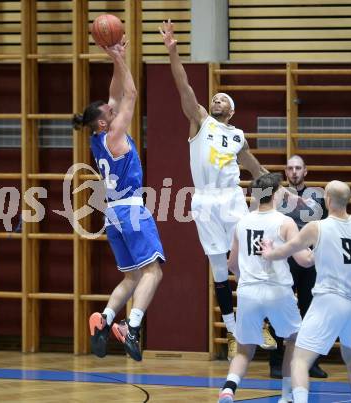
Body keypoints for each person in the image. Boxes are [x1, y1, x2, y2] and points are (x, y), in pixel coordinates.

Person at [160, 19, 275, 360]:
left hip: (232, 199)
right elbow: (183, 87)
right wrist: (173, 51)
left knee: (249, 265)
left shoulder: (237, 136)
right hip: (205, 201)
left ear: (233, 110)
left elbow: (256, 170)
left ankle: (261, 321)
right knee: (219, 269)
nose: (216, 100)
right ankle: (232, 330)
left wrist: (283, 193)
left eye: (223, 99)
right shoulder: (199, 120)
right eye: (214, 97)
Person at [72, 40, 165, 362]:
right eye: (109, 112)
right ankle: (132, 325)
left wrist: (117, 59)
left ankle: (106, 319)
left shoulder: (98, 136)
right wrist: (120, 59)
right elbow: (130, 95)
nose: (114, 109)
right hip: (131, 210)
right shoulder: (114, 135)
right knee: (153, 272)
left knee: (131, 277)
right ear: (104, 122)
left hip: (111, 215)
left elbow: (114, 96)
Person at [262, 180, 351, 403]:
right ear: (348, 200)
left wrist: (269, 253)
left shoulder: (317, 227)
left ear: (327, 199)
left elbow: (287, 250)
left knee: (299, 360)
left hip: (328, 300)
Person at [218, 173, 314, 403]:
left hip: (248, 291)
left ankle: (229, 389)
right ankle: (286, 396)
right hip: (277, 289)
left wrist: (247, 276)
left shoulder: (242, 223)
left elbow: (231, 264)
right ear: (275, 194)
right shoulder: (285, 222)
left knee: (244, 350)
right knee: (295, 340)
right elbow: (303, 260)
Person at [269, 155, 328, 379]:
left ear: (306, 171)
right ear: (285, 172)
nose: (294, 171)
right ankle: (276, 363)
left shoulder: (319, 196)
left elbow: (326, 228)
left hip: (310, 260)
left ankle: (310, 363)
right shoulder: (277, 196)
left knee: (311, 312)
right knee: (280, 309)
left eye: (298, 168)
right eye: (290, 168)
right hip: (284, 260)